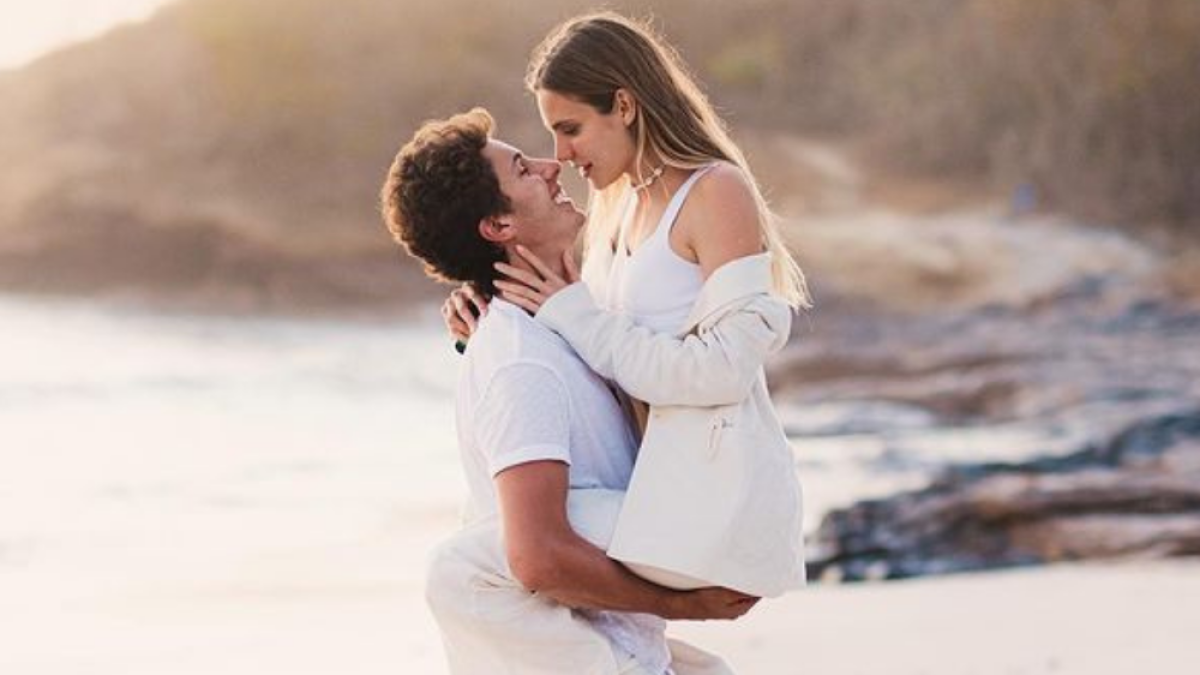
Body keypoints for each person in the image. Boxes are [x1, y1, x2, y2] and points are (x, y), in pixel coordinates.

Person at [444, 12, 809, 598]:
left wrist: (573, 315)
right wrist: (483, 306)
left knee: (472, 562)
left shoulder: (714, 192)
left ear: (625, 105)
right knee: (496, 531)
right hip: (653, 490)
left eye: (571, 128)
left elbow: (722, 371)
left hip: (715, 503)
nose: (559, 154)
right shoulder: (614, 206)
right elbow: (589, 343)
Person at [381, 108, 754, 675]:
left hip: (619, 648)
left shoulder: (574, 325)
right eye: (524, 170)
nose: (553, 165)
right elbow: (537, 556)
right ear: (499, 227)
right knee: (459, 566)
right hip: (586, 656)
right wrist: (684, 605)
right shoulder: (520, 358)